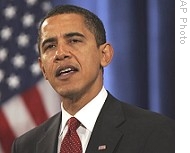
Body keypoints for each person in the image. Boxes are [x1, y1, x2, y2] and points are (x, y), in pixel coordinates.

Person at [11, 4, 174, 153]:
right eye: (50, 46)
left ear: (104, 55)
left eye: (74, 40)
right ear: (43, 69)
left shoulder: (155, 132)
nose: (60, 53)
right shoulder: (25, 146)